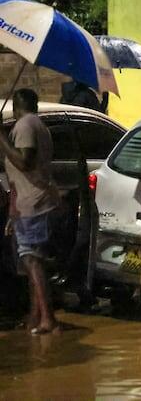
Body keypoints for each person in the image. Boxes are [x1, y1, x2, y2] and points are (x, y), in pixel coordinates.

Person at [0, 88, 60, 334]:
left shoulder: (26, 125)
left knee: (32, 261)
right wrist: (12, 211)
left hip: (34, 204)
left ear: (16, 106)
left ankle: (48, 318)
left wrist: (1, 137)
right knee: (32, 261)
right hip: (30, 203)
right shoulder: (38, 125)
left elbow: (25, 162)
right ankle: (36, 317)